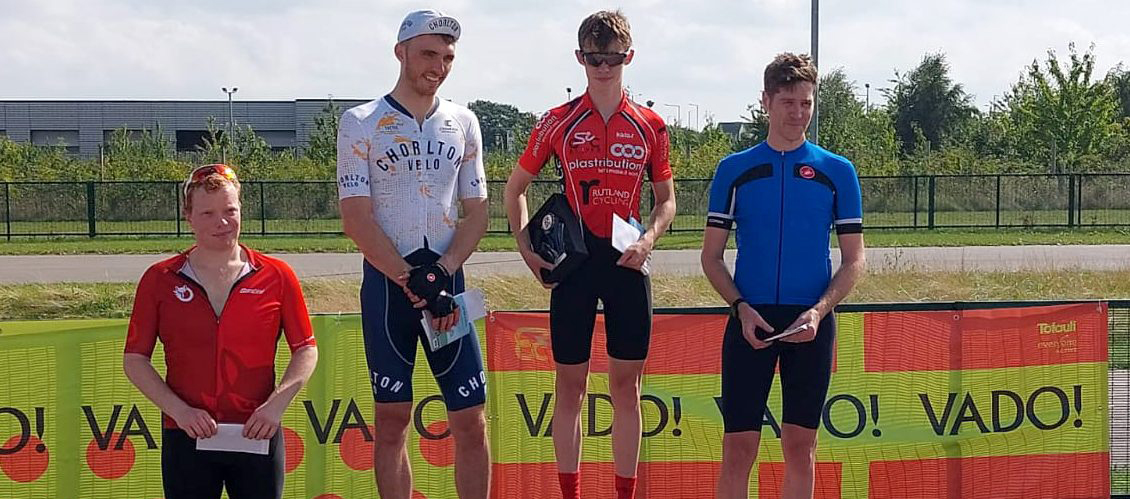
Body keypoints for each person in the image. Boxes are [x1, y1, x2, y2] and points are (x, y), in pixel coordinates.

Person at [503, 10, 676, 499]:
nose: (603, 68)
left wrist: (648, 240)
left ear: (629, 58)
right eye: (594, 58)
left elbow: (666, 200)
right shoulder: (556, 121)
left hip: (627, 260)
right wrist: (526, 247)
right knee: (570, 388)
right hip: (575, 265)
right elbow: (515, 189)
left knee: (626, 389)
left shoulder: (651, 125)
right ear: (579, 58)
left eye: (612, 59)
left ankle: (624, 493)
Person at [336, 9, 490, 499]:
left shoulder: (463, 122)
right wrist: (409, 277)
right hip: (389, 289)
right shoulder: (360, 122)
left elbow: (478, 212)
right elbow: (356, 217)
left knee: (470, 418)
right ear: (400, 52)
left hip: (446, 291)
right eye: (428, 54)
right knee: (392, 419)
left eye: (447, 57)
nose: (438, 66)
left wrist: (441, 273)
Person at [701, 53, 867, 499]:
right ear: (766, 102)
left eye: (806, 103)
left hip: (809, 323)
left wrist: (819, 311)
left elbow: (854, 260)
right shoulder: (734, 169)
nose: (798, 113)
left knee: (800, 447)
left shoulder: (838, 171)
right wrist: (740, 307)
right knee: (738, 449)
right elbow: (711, 257)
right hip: (750, 321)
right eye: (788, 102)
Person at [123, 164, 319, 499]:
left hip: (257, 431)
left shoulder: (277, 275)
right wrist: (180, 411)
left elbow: (306, 348)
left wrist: (275, 406)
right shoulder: (160, 279)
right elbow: (135, 359)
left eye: (230, 210)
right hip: (187, 432)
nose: (222, 222)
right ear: (188, 216)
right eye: (208, 213)